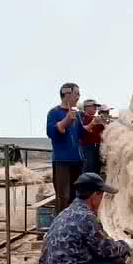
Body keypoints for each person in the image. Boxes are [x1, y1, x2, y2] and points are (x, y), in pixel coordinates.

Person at [39, 172, 133, 264]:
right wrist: (125, 245)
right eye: (101, 195)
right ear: (94, 195)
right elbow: (106, 250)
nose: (101, 200)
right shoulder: (86, 218)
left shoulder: (66, 212)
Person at [47, 83, 83, 214]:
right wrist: (65, 121)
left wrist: (93, 125)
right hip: (62, 161)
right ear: (67, 94)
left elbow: (81, 135)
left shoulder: (77, 115)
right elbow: (51, 132)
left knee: (77, 197)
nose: (79, 97)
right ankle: (60, 229)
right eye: (76, 93)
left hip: (77, 161)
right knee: (63, 198)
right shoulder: (54, 113)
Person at [79, 98, 105, 174]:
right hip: (86, 148)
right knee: (88, 171)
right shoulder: (81, 118)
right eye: (94, 106)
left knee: (96, 170)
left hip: (97, 147)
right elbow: (82, 131)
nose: (96, 108)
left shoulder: (96, 118)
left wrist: (104, 123)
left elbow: (103, 132)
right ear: (86, 107)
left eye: (96, 106)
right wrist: (93, 122)